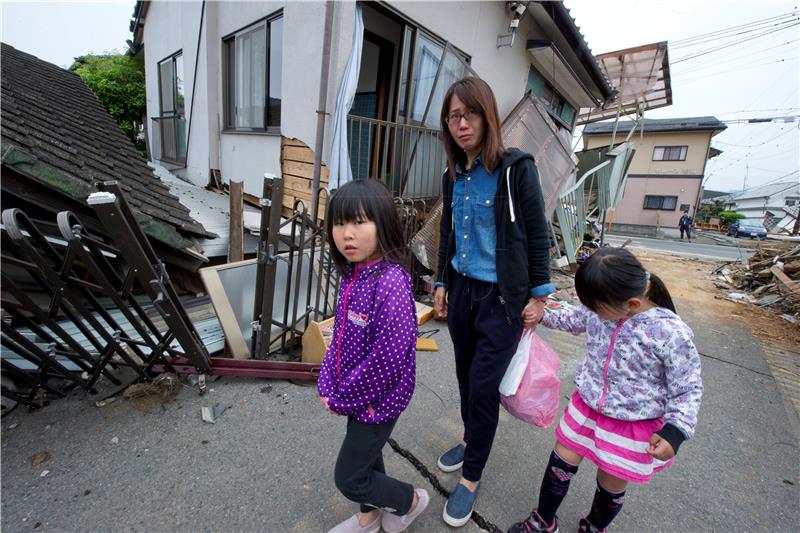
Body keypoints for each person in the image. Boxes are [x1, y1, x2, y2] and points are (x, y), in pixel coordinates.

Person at [508, 247, 703, 533]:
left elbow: (687, 387)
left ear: (633, 303)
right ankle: (543, 520)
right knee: (560, 463)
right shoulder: (600, 311)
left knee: (610, 483)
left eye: (594, 306)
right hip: (586, 408)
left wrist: (675, 431)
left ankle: (594, 526)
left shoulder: (671, 333)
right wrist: (539, 314)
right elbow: (572, 319)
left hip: (632, 425)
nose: (590, 312)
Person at [432, 76, 555, 527]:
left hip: (502, 299)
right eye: (453, 117)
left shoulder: (515, 168)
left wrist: (539, 296)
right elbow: (448, 233)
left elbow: (537, 234)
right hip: (463, 291)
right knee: (466, 376)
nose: (461, 124)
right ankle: (470, 439)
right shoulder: (453, 175)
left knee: (484, 387)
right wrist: (442, 281)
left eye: (470, 114)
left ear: (488, 116)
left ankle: (471, 476)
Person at [318, 179, 429, 533]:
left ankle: (409, 500)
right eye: (339, 223)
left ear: (383, 223)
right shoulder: (355, 274)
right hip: (357, 397)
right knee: (368, 455)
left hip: (378, 400)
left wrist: (342, 397)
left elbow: (388, 360)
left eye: (359, 222)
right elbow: (338, 337)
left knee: (350, 477)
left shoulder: (390, 282)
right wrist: (326, 381)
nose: (347, 234)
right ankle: (370, 516)